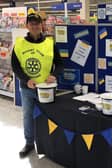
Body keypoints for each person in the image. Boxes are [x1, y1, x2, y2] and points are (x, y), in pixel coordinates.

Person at [11, 13, 64, 158]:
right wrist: (26, 79)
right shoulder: (19, 44)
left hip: (46, 89)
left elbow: (60, 64)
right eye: (32, 23)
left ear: (42, 25)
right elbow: (15, 66)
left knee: (48, 116)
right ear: (27, 26)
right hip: (27, 88)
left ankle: (49, 144)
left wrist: (54, 75)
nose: (35, 26)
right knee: (27, 116)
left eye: (37, 23)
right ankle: (29, 143)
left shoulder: (50, 43)